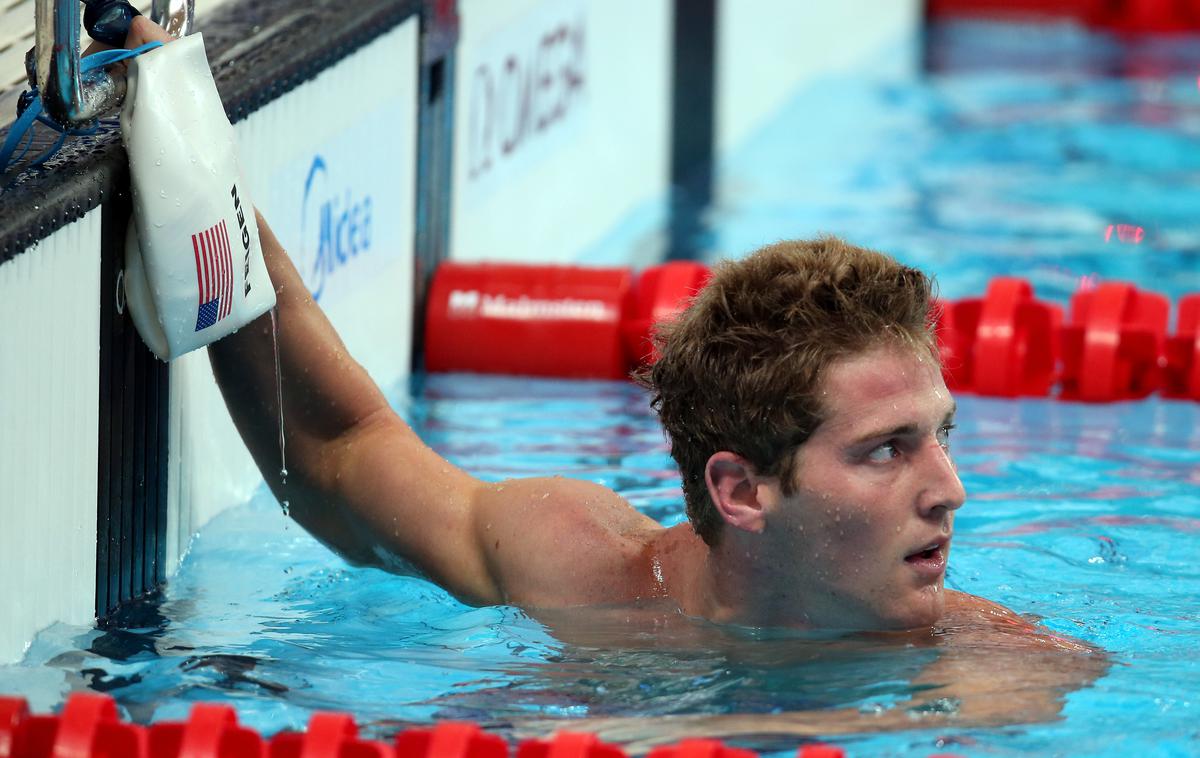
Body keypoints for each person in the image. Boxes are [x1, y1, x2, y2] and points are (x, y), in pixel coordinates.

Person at [118, 16, 1106, 741]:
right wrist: (216, 202)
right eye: (889, 447)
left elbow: (1024, 695)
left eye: (942, 431)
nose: (951, 487)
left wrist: (666, 733)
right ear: (741, 488)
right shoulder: (581, 562)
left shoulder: (986, 660)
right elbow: (342, 453)